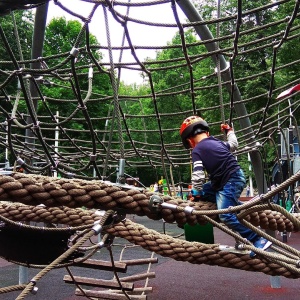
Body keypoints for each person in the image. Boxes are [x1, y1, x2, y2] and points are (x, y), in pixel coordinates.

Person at [179, 115, 272, 257]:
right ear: (207, 133)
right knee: (206, 192)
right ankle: (235, 204)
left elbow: (198, 175)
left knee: (226, 216)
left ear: (189, 140)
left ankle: (257, 239)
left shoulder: (197, 151)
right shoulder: (216, 142)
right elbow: (233, 144)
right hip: (231, 178)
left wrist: (195, 192)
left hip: (230, 180)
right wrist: (229, 131)